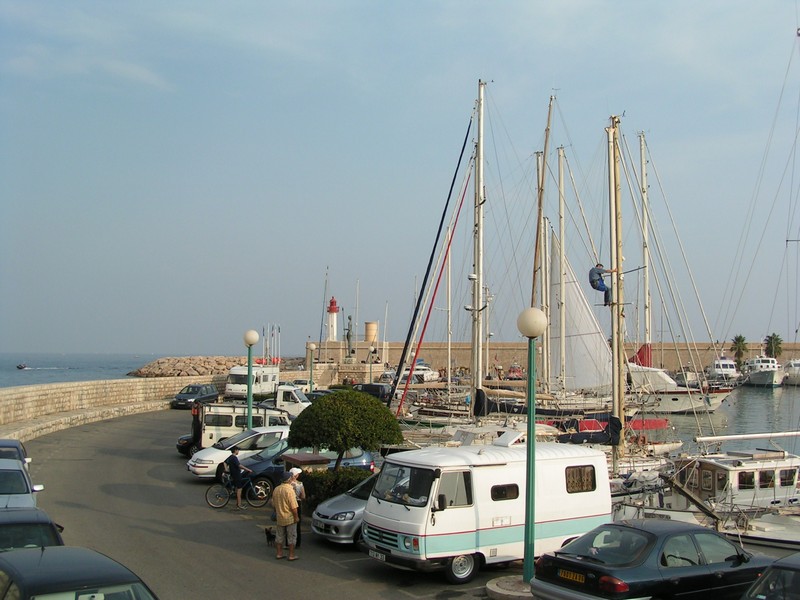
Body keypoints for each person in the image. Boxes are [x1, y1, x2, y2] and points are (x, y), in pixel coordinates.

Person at [272, 471, 299, 560]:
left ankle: (279, 553)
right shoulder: (289, 490)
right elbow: (294, 506)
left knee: (279, 536)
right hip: (289, 517)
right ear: (289, 479)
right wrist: (296, 517)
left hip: (280, 517)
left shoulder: (276, 489)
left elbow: (273, 504)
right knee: (291, 537)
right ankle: (291, 555)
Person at [289, 467, 306, 548]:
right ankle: (297, 543)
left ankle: (287, 542)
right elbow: (303, 496)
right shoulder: (300, 484)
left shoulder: (287, 484)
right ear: (296, 475)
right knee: (297, 523)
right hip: (297, 503)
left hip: (288, 504)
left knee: (288, 523)